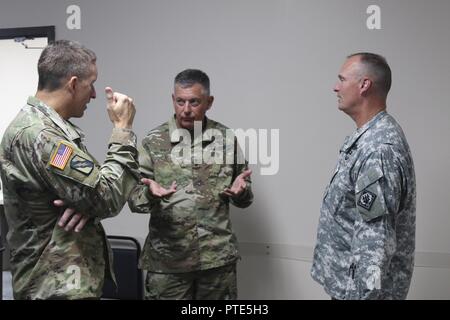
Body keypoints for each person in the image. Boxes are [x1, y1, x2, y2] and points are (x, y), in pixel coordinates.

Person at [0, 40, 140, 299]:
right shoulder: (41, 135)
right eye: (91, 85)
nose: (95, 95)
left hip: (59, 282)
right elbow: (106, 197)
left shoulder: (44, 128)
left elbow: (94, 193)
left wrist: (87, 203)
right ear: (73, 84)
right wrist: (123, 129)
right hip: (54, 286)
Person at [128, 69, 253, 300]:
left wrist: (241, 193)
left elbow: (245, 195)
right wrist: (150, 194)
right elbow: (134, 199)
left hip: (216, 261)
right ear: (172, 100)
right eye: (180, 101)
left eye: (194, 102)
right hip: (168, 262)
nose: (186, 109)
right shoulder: (153, 141)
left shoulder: (226, 139)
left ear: (209, 102)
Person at [310, 53, 416, 300]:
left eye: (342, 79)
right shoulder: (365, 139)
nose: (335, 86)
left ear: (364, 85)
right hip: (349, 288)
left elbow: (374, 245)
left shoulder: (378, 149)